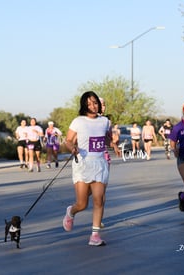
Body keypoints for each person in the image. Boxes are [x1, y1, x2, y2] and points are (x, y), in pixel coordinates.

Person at [62, 91, 119, 246]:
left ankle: (95, 235)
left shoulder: (105, 121)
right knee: (82, 203)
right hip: (82, 164)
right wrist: (72, 147)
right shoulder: (78, 121)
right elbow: (67, 140)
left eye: (95, 102)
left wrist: (113, 144)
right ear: (84, 106)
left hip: (100, 163)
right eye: (89, 104)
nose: (93, 106)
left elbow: (105, 138)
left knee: (98, 199)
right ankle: (71, 212)